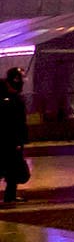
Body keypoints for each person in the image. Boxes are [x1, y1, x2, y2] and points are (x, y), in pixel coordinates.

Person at [2, 68, 28, 204]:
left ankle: (10, 196)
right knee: (8, 168)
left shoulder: (14, 96)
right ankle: (9, 196)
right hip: (8, 140)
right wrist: (16, 140)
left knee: (13, 169)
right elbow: (11, 121)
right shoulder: (8, 97)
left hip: (13, 139)